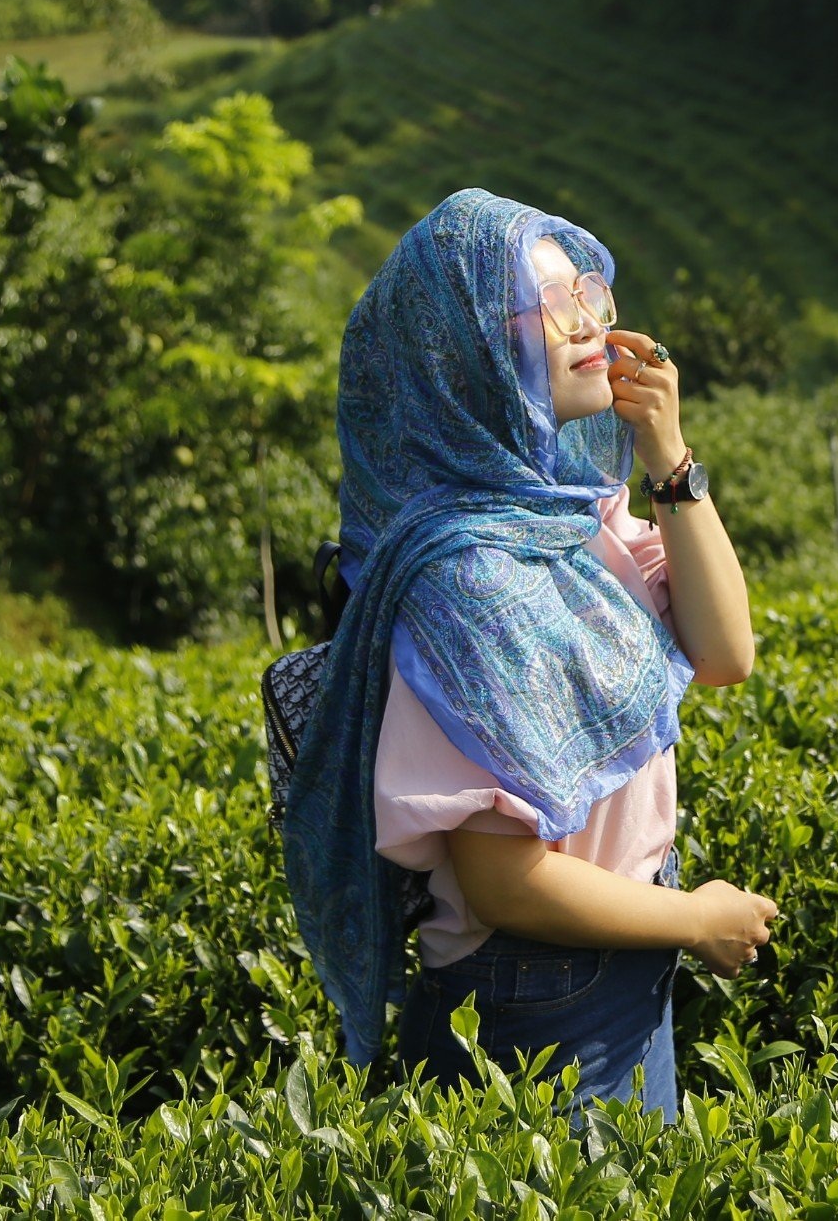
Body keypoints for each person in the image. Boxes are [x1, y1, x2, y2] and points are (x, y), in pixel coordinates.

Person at [279, 187, 778, 1122]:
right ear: (471, 354)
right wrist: (698, 919)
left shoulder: (573, 514)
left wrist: (669, 458)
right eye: (557, 307)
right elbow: (504, 880)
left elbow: (724, 651)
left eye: (592, 293)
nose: (594, 324)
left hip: (620, 953)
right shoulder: (465, 577)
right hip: (530, 1003)